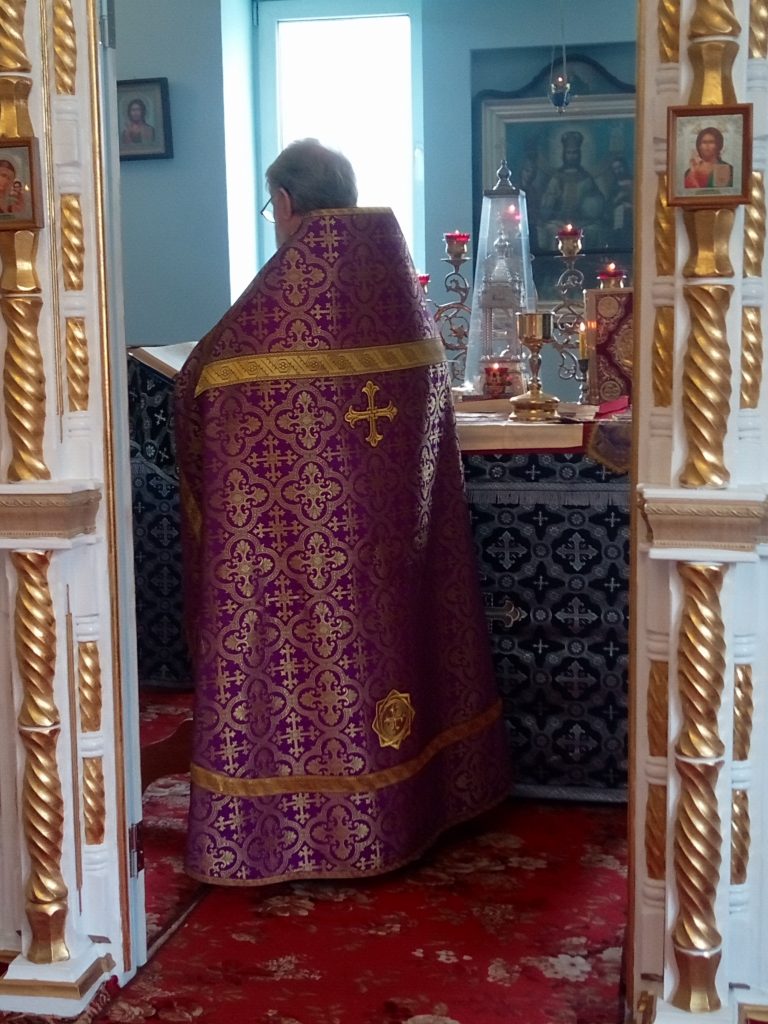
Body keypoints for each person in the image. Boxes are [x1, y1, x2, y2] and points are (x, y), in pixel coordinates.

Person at [174, 139, 511, 887]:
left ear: (286, 203)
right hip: (394, 543)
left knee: (310, 669)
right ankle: (421, 800)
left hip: (300, 552)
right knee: (394, 646)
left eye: (272, 208)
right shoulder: (395, 289)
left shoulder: (273, 312)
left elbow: (198, 385)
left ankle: (301, 826)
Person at [538, 130, 606, 249]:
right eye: (569, 153)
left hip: (582, 222)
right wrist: (551, 199)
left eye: (575, 153)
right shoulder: (556, 178)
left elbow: (597, 203)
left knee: (593, 230)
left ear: (579, 154)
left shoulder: (586, 178)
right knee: (552, 230)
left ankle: (587, 260)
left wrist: (591, 203)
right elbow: (546, 207)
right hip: (560, 221)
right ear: (564, 154)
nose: (572, 156)